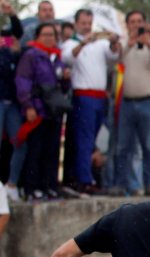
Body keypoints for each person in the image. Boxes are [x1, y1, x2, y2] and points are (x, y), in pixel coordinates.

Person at [61, 8, 120, 194]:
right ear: (76, 24)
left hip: (100, 97)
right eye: (83, 23)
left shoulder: (100, 43)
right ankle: (84, 179)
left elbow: (114, 56)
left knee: (91, 139)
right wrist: (84, 43)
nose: (87, 27)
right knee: (84, 139)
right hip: (83, 95)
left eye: (89, 23)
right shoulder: (71, 43)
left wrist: (113, 41)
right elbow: (68, 58)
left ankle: (85, 177)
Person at [112, 11, 150, 196]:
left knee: (149, 146)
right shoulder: (123, 45)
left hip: (147, 102)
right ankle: (120, 184)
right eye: (132, 22)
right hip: (126, 102)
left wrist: (149, 43)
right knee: (122, 147)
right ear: (127, 25)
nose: (135, 25)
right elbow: (115, 60)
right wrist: (129, 45)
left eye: (139, 21)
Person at [16, 22, 68, 201]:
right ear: (38, 36)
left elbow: (61, 86)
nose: (49, 38)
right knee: (35, 150)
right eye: (45, 35)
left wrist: (66, 78)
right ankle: (31, 187)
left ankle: (48, 186)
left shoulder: (56, 57)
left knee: (51, 151)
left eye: (52, 35)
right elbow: (23, 81)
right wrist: (28, 105)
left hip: (53, 111)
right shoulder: (31, 55)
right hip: (38, 110)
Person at [0, 1, 25, 201]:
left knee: (20, 141)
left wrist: (11, 13)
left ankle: (11, 184)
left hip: (11, 102)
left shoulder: (6, 39)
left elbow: (17, 31)